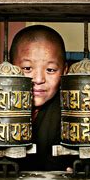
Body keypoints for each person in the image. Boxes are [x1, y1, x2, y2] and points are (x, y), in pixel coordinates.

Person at [10, 25, 69, 171]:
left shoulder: (69, 111)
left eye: (50, 70)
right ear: (10, 68)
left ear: (64, 71)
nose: (38, 79)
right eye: (27, 69)